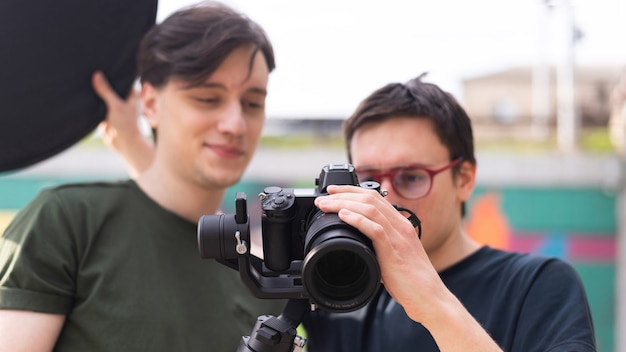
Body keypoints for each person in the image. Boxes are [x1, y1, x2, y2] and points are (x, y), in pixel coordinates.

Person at [0, 2, 286, 351]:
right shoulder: (69, 222)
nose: (235, 125)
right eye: (208, 98)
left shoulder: (261, 278)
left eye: (253, 104)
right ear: (150, 103)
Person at [301, 74, 597, 351]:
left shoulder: (537, 284)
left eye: (412, 176)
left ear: (465, 179)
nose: (383, 198)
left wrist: (431, 300)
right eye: (369, 179)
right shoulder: (335, 282)